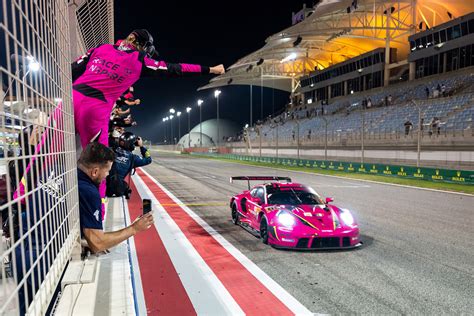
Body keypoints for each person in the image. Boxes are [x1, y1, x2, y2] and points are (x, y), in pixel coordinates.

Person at [71, 29, 225, 211]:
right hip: (95, 110)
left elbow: (72, 69)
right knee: (101, 166)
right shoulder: (139, 60)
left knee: (47, 150)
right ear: (136, 41)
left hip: (71, 98)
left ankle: (26, 191)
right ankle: (96, 218)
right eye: (146, 49)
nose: (146, 53)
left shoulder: (101, 48)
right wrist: (211, 69)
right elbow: (176, 69)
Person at [78, 142, 154, 254]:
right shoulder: (89, 192)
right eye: (108, 170)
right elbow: (98, 244)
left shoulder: (61, 171)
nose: (108, 174)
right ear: (95, 172)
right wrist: (135, 228)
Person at [106, 132, 152, 198]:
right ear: (131, 145)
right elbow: (148, 159)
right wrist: (141, 146)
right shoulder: (133, 158)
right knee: (125, 186)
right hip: (118, 188)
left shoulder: (111, 150)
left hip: (105, 185)